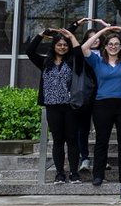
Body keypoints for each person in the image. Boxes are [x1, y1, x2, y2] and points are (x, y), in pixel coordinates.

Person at [25, 29, 86, 184]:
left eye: (65, 45)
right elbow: (30, 51)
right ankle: (59, 173)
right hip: (52, 106)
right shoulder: (45, 62)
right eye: (59, 44)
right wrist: (40, 34)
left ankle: (74, 173)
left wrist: (71, 36)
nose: (62, 47)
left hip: (70, 105)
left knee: (72, 139)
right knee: (58, 140)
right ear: (53, 46)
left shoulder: (73, 60)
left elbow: (79, 53)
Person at [78, 26, 121, 186]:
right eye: (110, 44)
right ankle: (98, 175)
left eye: (117, 44)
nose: (113, 47)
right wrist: (102, 32)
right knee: (101, 141)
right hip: (102, 104)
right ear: (105, 46)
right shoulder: (97, 61)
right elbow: (84, 47)